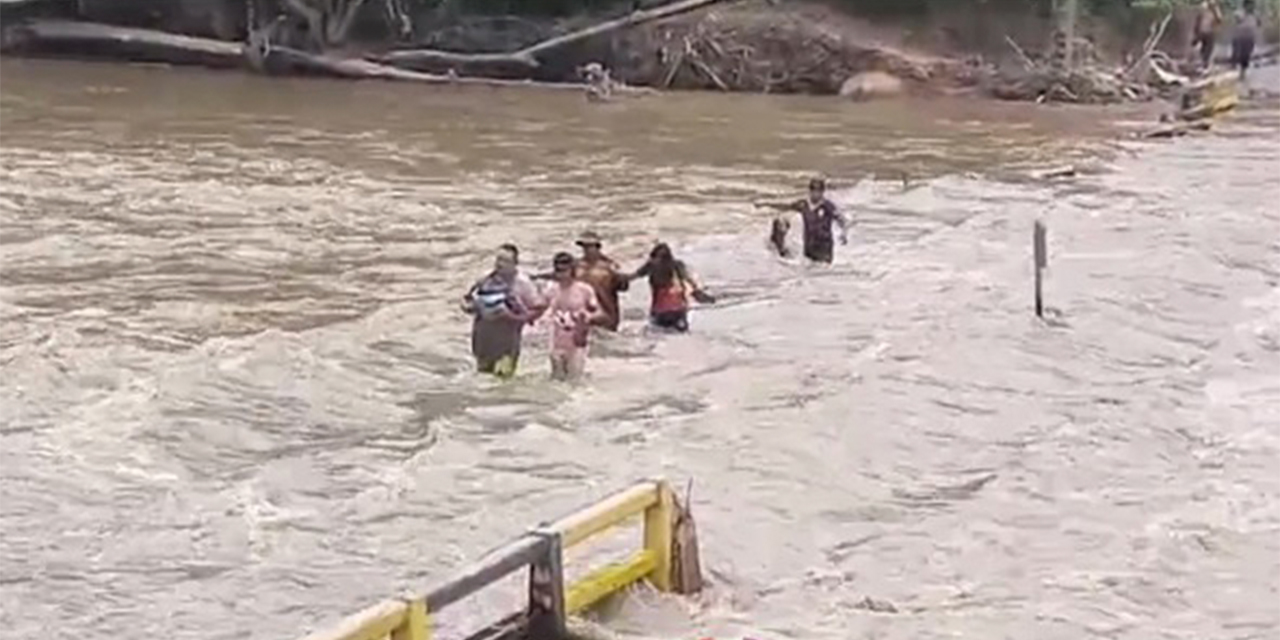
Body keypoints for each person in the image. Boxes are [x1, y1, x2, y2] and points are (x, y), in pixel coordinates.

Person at [461, 244, 545, 378]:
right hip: (483, 340)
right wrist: (470, 308)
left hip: (507, 342)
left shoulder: (523, 283)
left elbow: (540, 308)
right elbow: (466, 300)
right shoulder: (485, 279)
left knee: (502, 382)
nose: (500, 264)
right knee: (483, 381)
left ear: (515, 264)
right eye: (498, 259)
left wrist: (515, 318)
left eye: (505, 261)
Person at [757, 177, 849, 264]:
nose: (816, 193)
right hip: (809, 248)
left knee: (822, 274)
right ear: (810, 191)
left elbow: (841, 220)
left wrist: (844, 234)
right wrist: (766, 204)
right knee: (808, 273)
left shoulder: (828, 206)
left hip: (824, 249)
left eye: (818, 191)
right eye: (813, 190)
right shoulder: (803, 205)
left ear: (822, 192)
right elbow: (786, 206)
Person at [544, 252, 604, 381]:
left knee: (574, 379)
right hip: (556, 341)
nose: (561, 274)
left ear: (572, 270)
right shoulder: (551, 290)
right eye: (558, 270)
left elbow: (599, 312)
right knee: (556, 380)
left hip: (577, 342)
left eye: (564, 270)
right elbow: (540, 309)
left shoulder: (584, 290)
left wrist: (588, 317)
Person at [631, 242, 714, 333]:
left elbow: (631, 277)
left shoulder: (651, 266)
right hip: (679, 311)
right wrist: (700, 294)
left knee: (657, 338)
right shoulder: (677, 265)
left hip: (659, 312)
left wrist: (615, 277)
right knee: (681, 336)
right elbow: (690, 282)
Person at [574, 230, 630, 331]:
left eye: (590, 246)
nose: (587, 250)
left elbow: (624, 286)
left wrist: (620, 278)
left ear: (598, 247)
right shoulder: (576, 266)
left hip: (606, 314)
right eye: (584, 247)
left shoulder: (610, 266)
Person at [1192, 0, 1223, 71]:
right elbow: (1219, 19)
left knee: (1204, 49)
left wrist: (1195, 35)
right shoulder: (1211, 11)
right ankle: (1204, 64)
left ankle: (1202, 63)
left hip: (1203, 32)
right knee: (1207, 49)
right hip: (1208, 32)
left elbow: (1197, 23)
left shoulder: (1204, 10)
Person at [1232, 0, 1259, 81]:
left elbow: (1259, 23)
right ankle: (1237, 71)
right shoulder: (1240, 13)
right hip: (1241, 38)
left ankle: (1242, 72)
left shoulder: (1255, 14)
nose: (1251, 7)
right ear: (1245, 5)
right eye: (1249, 5)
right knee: (1239, 55)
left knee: (1246, 55)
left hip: (1250, 38)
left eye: (1252, 5)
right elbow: (1237, 18)